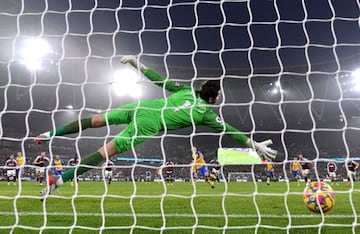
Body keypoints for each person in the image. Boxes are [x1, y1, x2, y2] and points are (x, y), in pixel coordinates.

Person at [35, 56, 277, 198]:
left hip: (143, 107)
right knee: (103, 153)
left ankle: (50, 133)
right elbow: (231, 131)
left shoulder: (184, 89)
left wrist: (136, 64)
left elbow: (158, 79)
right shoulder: (206, 114)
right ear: (213, 99)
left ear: (202, 87)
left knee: (95, 120)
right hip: (149, 124)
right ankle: (57, 182)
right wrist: (253, 144)